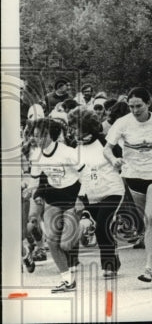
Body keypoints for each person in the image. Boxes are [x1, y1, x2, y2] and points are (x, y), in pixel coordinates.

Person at [104, 87, 152, 283]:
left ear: (148, 104)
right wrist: (113, 160)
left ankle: (149, 267)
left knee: (151, 217)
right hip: (133, 177)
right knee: (147, 221)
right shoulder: (123, 123)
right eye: (131, 106)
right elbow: (107, 148)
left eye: (139, 106)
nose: (135, 110)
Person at [29, 119, 83, 293]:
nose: (38, 139)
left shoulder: (68, 152)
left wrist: (82, 199)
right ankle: (67, 281)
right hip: (53, 197)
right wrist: (33, 192)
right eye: (36, 135)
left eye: (42, 135)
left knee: (66, 245)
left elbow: (86, 175)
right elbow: (36, 179)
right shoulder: (36, 154)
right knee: (52, 240)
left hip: (73, 196)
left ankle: (85, 226)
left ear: (51, 135)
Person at [73, 110, 125, 278]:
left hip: (112, 190)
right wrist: (80, 197)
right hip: (91, 194)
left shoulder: (105, 141)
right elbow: (79, 174)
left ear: (86, 126)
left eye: (75, 128)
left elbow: (122, 159)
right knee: (100, 230)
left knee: (103, 226)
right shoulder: (77, 147)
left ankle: (109, 266)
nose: (72, 131)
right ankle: (113, 257)